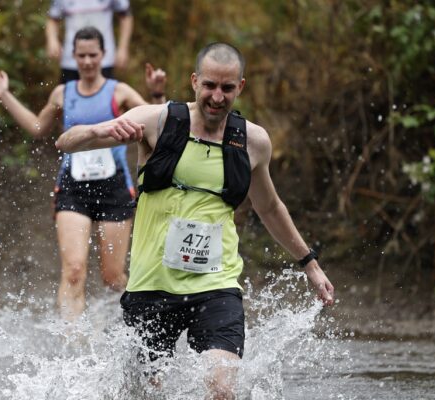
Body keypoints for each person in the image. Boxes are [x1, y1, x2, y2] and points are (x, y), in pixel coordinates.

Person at [56, 42, 334, 398]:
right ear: (194, 82)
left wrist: (309, 263)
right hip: (150, 287)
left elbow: (270, 207)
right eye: (210, 86)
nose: (217, 97)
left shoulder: (253, 142)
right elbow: (66, 142)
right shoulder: (156, 122)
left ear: (240, 87)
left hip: (216, 286)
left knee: (221, 389)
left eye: (227, 88)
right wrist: (97, 133)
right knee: (144, 393)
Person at [0, 27, 166, 321]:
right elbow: (36, 127)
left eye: (92, 55)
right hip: (73, 189)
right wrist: (4, 94)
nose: (86, 62)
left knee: (112, 277)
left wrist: (157, 93)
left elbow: (160, 121)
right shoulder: (63, 93)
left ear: (102, 55)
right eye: (81, 56)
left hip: (114, 190)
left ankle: (136, 325)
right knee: (73, 270)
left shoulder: (118, 91)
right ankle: (72, 348)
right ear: (73, 56)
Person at [46, 0, 133, 83]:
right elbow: (52, 18)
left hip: (102, 60)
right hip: (71, 60)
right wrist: (52, 40)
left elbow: (125, 16)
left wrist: (123, 48)